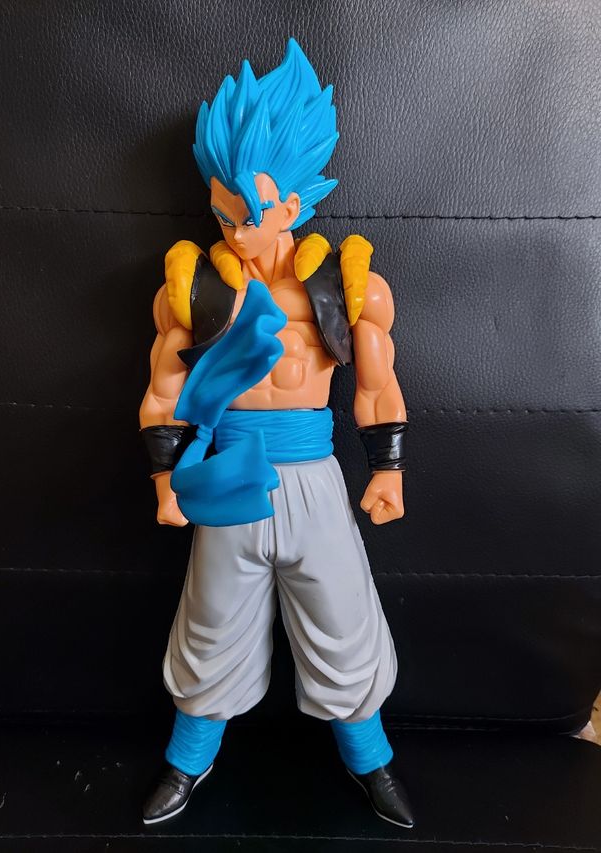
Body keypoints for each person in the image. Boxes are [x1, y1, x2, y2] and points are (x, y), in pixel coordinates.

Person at [139, 38, 413, 828]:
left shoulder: (347, 287)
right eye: (222, 211)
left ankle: (370, 759)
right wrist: (166, 479)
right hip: (227, 477)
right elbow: (164, 390)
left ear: (292, 205)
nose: (234, 229)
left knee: (342, 620)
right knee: (212, 623)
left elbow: (376, 381)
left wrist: (387, 466)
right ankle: (189, 757)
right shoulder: (195, 290)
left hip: (314, 479)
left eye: (250, 214)